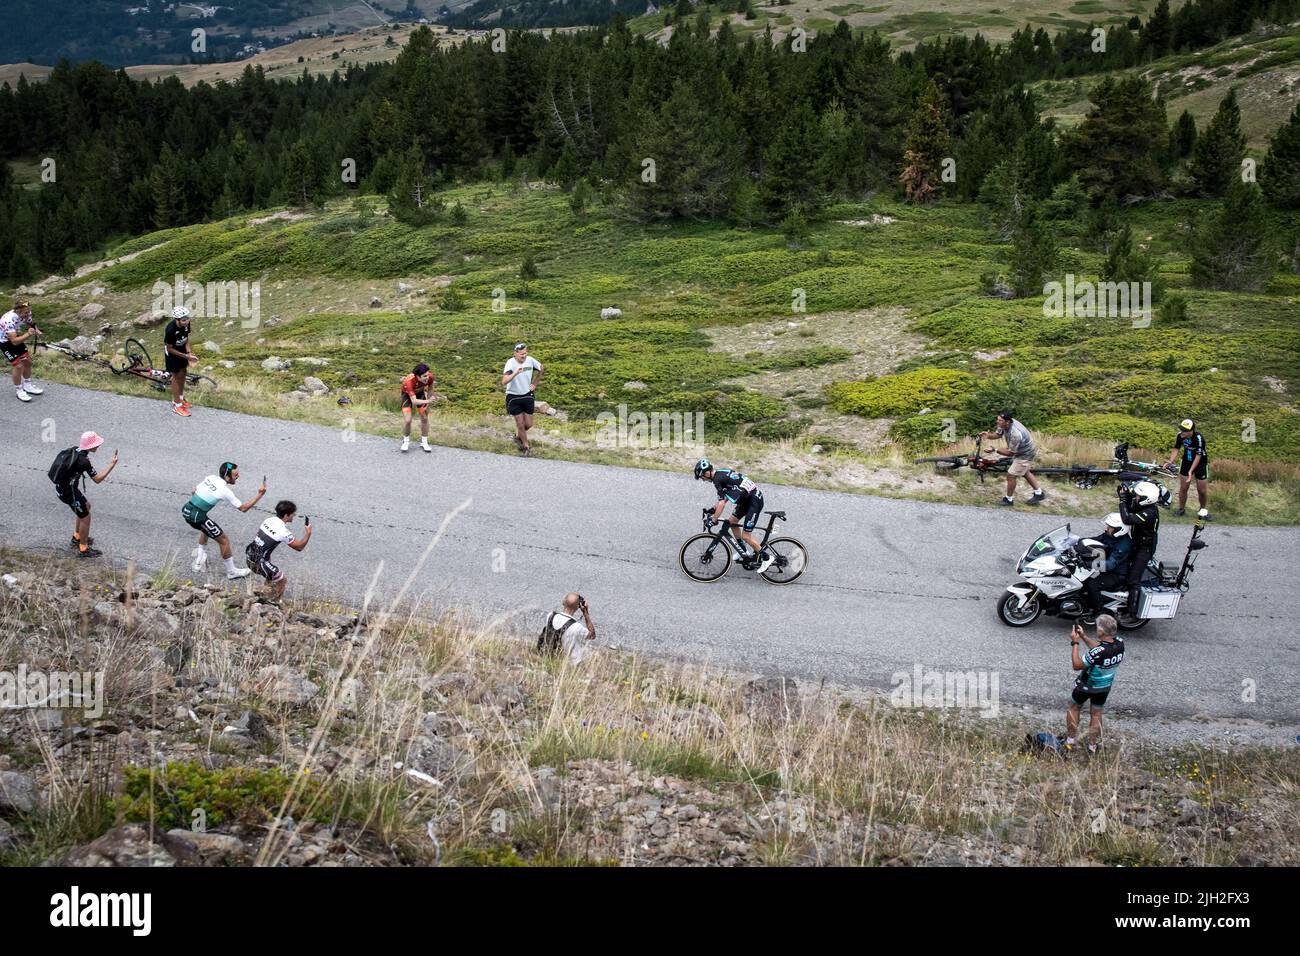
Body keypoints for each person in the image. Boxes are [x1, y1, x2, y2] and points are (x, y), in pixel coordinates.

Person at [183, 462, 266, 579]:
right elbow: (243, 508)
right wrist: (260, 494)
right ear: (227, 477)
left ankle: (200, 558)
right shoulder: (225, 490)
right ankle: (231, 572)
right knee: (224, 540)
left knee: (206, 526)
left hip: (187, 509)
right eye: (235, 475)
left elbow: (194, 490)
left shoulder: (210, 477)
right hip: (197, 517)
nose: (238, 476)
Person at [694, 458, 774, 573]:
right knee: (731, 522)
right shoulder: (720, 474)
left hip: (753, 502)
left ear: (707, 473)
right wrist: (712, 510)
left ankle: (766, 558)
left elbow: (722, 503)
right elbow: (725, 497)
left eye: (702, 477)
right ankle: (743, 550)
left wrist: (714, 519)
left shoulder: (717, 480)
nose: (703, 479)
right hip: (746, 499)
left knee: (746, 536)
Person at [49, 432, 118, 558]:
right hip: (68, 493)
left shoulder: (75, 450)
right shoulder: (83, 461)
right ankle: (83, 548)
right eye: (97, 444)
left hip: (64, 489)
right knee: (85, 517)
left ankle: (77, 536)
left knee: (86, 506)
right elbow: (97, 479)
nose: (98, 446)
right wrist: (111, 465)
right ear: (90, 446)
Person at [1065, 616, 1124, 754]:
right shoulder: (1120, 643)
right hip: (1104, 687)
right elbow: (1101, 649)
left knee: (1074, 707)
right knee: (1096, 714)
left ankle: (1070, 742)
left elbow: (1077, 665)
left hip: (1087, 685)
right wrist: (1084, 636)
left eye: (1097, 627)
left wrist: (1075, 642)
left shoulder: (1098, 652)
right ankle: (1092, 747)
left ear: (1101, 632)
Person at [245, 500, 312, 602]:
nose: (294, 516)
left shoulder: (268, 520)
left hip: (250, 556)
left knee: (271, 578)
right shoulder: (283, 531)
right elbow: (299, 547)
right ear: (286, 515)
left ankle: (262, 599)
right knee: (282, 580)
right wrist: (308, 533)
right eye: (292, 514)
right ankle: (273, 604)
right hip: (259, 563)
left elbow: (260, 539)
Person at [980, 411, 1044, 507]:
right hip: (1020, 450)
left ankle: (1008, 500)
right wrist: (988, 435)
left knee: (1011, 475)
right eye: (997, 419)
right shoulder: (1003, 423)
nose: (997, 422)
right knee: (1024, 471)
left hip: (1026, 453)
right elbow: (998, 435)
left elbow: (1010, 453)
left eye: (1000, 420)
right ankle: (1039, 493)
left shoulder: (1016, 434)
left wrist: (995, 449)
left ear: (1008, 422)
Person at [1117, 479, 1161, 614]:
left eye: (1138, 496)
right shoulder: (1144, 506)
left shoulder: (1150, 512)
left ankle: (1133, 612)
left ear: (1146, 499)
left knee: (1133, 579)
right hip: (1136, 543)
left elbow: (1128, 519)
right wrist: (1126, 494)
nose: (1135, 498)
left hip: (1144, 549)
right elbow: (1131, 509)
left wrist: (1122, 501)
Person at [1080, 512, 1132, 624]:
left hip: (1116, 574)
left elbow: (1110, 564)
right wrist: (1079, 542)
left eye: (1110, 527)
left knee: (1093, 585)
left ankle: (1099, 612)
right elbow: (1096, 540)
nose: (1107, 528)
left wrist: (1090, 565)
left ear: (1119, 530)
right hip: (1107, 569)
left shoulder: (1123, 545)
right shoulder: (1110, 535)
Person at [501, 343, 543, 456]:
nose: (523, 356)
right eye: (521, 354)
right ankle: (525, 446)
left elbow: (541, 368)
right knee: (520, 424)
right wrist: (515, 373)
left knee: (528, 424)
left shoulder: (530, 360)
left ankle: (518, 436)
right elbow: (504, 381)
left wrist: (535, 383)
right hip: (513, 397)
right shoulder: (510, 363)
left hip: (527, 395)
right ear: (515, 353)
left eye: (525, 353)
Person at [1166, 418, 1210, 520]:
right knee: (1184, 488)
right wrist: (1171, 461)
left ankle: (1203, 511)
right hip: (1186, 462)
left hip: (1200, 464)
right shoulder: (1180, 436)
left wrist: (1191, 471)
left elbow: (1198, 456)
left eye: (1185, 430)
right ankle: (1181, 509)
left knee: (1202, 491)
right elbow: (1176, 448)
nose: (1182, 432)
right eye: (1181, 429)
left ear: (1191, 431)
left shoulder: (1199, 438)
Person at [2, 300, 44, 403]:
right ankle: (19, 390)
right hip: (5, 342)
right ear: (18, 311)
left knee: (27, 361)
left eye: (29, 311)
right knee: (18, 366)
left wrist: (36, 330)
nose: (28, 314)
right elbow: (15, 342)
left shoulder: (26, 313)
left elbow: (31, 323)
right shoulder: (8, 320)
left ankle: (28, 385)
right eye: (26, 312)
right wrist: (28, 334)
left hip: (16, 337)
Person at [539, 593, 596, 664]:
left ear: (563, 602)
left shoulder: (550, 616)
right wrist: (585, 613)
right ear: (578, 606)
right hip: (570, 664)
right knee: (589, 652)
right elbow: (592, 635)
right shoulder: (577, 627)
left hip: (551, 657)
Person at [163, 306, 198, 417]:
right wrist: (185, 356)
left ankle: (181, 398)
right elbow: (169, 348)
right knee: (176, 376)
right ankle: (177, 405)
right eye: (183, 320)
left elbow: (186, 339)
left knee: (183, 372)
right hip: (172, 353)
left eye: (187, 318)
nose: (186, 321)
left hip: (182, 350)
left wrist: (189, 352)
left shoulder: (186, 325)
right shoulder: (170, 329)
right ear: (176, 319)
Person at [399, 362, 435, 453]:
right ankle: (406, 441)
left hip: (420, 393)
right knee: (408, 420)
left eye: (427, 375)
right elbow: (414, 401)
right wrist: (428, 401)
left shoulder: (430, 377)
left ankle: (424, 442)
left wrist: (428, 405)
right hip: (407, 395)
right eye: (424, 376)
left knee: (424, 417)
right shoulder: (409, 381)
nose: (427, 377)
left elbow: (430, 390)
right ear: (417, 377)